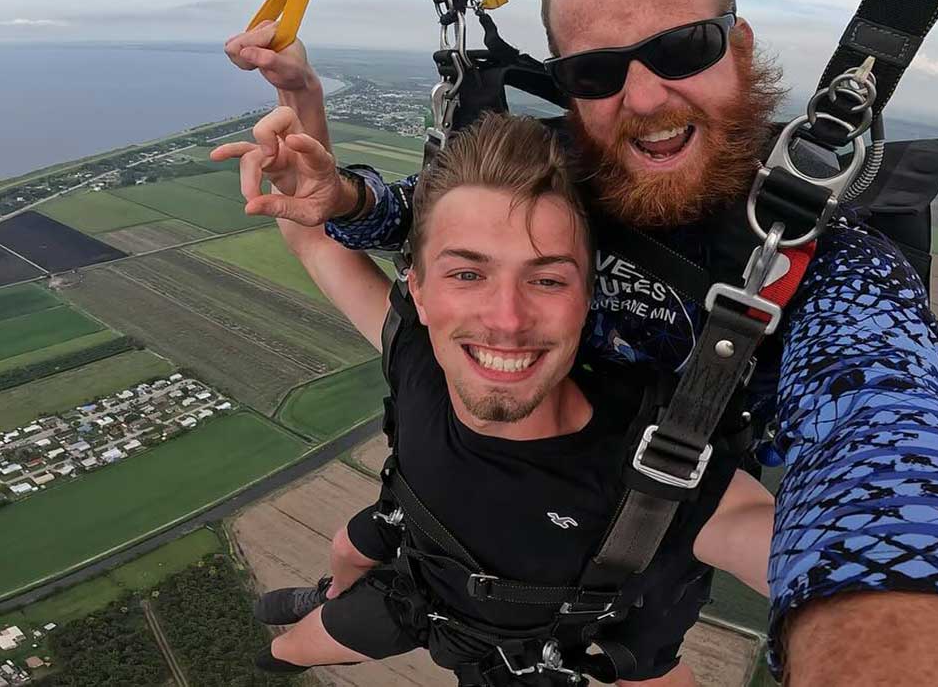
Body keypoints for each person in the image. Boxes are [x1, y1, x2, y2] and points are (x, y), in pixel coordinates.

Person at [220, 0, 938, 682]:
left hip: (601, 511)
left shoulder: (830, 270)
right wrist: (336, 194)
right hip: (458, 490)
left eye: (679, 47)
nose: (641, 95)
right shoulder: (562, 169)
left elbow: (881, 439)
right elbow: (430, 225)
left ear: (735, 45)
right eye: (595, 72)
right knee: (359, 555)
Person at [236, 112, 775, 685]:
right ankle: (330, 597)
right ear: (417, 291)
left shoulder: (660, 470)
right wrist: (300, 106)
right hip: (413, 581)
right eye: (468, 275)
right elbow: (311, 236)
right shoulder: (423, 360)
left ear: (587, 298)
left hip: (517, 651)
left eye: (546, 280)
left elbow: (814, 556)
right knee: (293, 640)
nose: (507, 320)